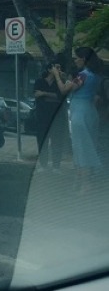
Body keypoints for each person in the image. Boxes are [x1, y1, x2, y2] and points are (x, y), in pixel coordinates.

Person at [51, 47, 103, 194]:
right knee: (88, 145)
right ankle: (81, 181)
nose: (75, 60)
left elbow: (63, 90)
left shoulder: (83, 75)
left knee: (81, 147)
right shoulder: (94, 75)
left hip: (79, 113)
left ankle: (85, 183)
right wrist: (64, 77)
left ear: (83, 59)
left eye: (76, 58)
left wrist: (56, 75)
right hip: (90, 112)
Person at [33, 65, 67, 173]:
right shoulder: (39, 81)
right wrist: (51, 96)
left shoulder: (60, 83)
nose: (59, 69)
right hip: (42, 116)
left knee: (57, 141)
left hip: (57, 116)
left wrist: (44, 94)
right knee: (42, 141)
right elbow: (36, 94)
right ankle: (43, 165)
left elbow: (60, 96)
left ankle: (56, 166)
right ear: (49, 69)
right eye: (57, 67)